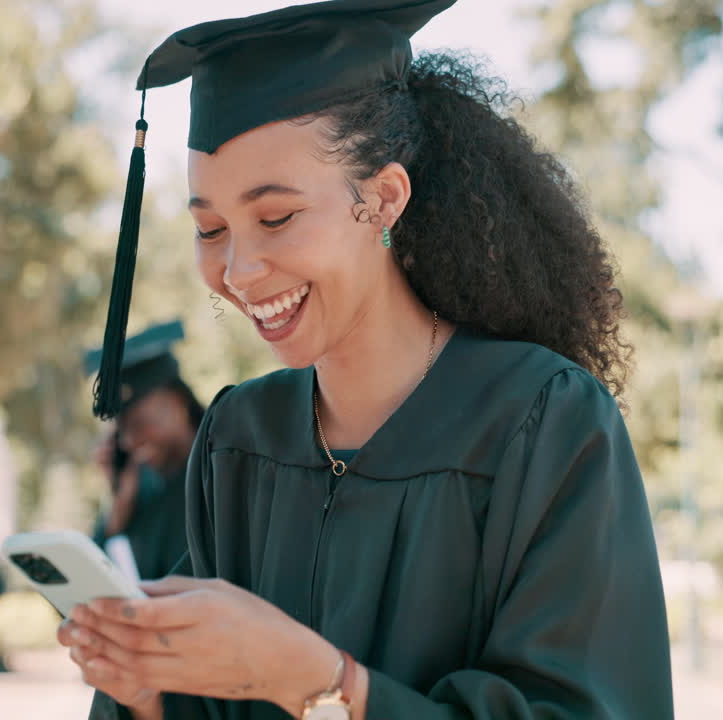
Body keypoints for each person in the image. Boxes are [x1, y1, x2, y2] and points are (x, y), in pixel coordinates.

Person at [63, 1, 675, 719]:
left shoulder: (543, 424)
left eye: (276, 217)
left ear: (384, 199)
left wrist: (320, 682)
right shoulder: (238, 440)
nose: (239, 268)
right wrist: (145, 696)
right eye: (209, 227)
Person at [83, 319, 204, 582]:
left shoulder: (228, 472)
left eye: (138, 424)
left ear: (178, 401)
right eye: (120, 430)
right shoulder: (143, 496)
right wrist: (118, 512)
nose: (127, 442)